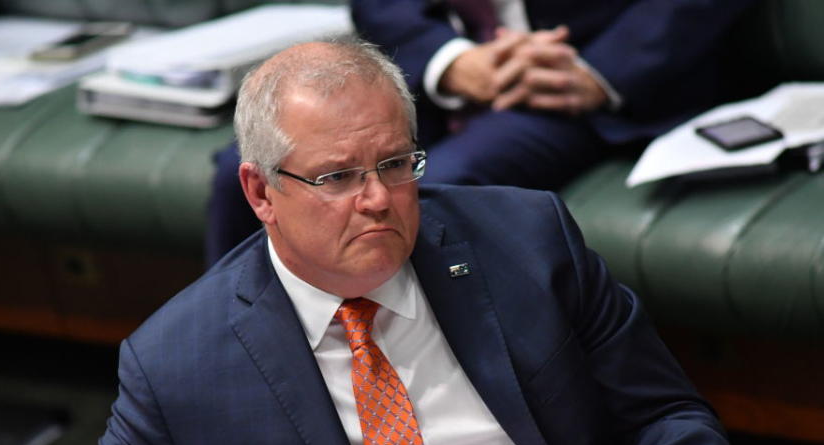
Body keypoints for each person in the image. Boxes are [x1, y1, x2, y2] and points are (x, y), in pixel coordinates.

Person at [34, 39, 768, 445]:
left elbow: (667, 414)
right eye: (338, 177)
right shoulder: (179, 360)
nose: (379, 199)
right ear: (260, 193)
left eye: (395, 164)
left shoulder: (525, 239)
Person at [203, 0, 759, 265]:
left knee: (432, 186)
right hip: (443, 69)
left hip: (578, 81)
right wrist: (451, 62)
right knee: (250, 171)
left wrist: (599, 73)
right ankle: (247, 364)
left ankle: (389, 388)